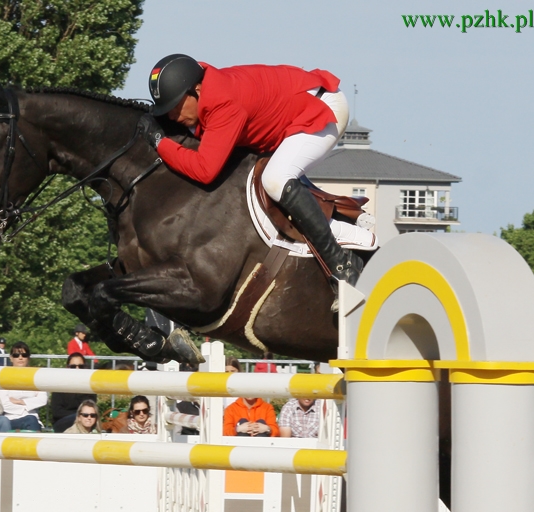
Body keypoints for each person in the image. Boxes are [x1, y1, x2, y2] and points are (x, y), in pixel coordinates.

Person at [143, 54, 366, 297]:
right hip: (296, 110)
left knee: (275, 179)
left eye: (175, 107)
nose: (173, 116)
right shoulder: (206, 89)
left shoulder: (223, 101)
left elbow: (204, 171)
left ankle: (341, 269)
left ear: (196, 90)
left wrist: (159, 142)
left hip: (321, 110)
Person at [0, 341, 47, 431]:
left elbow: (43, 400)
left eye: (24, 355)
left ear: (28, 358)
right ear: (11, 358)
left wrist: (20, 401)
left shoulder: (36, 376)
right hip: (10, 419)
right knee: (31, 419)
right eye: (16, 355)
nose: (20, 358)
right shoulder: (4, 377)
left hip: (33, 419)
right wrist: (27, 406)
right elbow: (4, 403)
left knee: (31, 420)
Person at [50, 353, 98, 433]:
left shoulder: (89, 386)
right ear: (67, 367)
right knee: (84, 418)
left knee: (88, 418)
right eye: (73, 366)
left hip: (85, 419)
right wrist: (79, 415)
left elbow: (91, 407)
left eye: (81, 366)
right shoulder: (59, 385)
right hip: (62, 422)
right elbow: (57, 412)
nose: (77, 369)